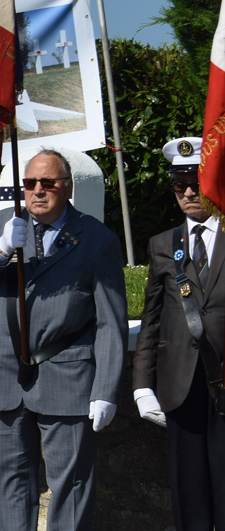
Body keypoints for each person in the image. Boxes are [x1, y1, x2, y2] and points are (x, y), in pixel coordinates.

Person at [0, 149, 127, 531]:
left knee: (72, 488)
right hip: (2, 375)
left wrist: (106, 390)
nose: (37, 191)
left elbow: (111, 323)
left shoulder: (97, 240)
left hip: (66, 377)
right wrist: (0, 252)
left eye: (47, 183)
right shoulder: (1, 224)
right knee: (5, 485)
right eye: (29, 183)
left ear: (68, 188)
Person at [132, 136, 225, 530]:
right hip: (180, 384)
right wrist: (142, 385)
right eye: (179, 184)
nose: (188, 193)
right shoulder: (163, 244)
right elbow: (152, 318)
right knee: (189, 495)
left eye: (196, 183)